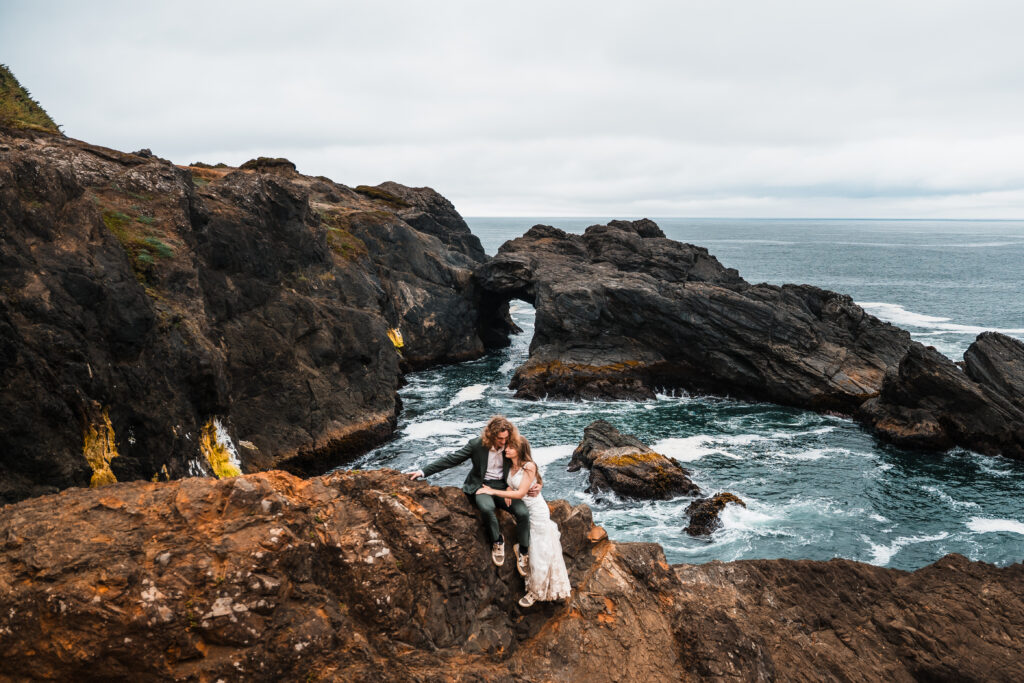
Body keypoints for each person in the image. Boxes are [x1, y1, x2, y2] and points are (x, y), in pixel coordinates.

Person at [406, 416, 538, 570]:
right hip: (481, 486)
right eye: (500, 439)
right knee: (486, 508)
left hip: (504, 486)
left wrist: (538, 484)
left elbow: (527, 462)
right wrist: (423, 471)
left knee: (523, 512)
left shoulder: (511, 444)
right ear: (491, 435)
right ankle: (497, 541)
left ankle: (522, 550)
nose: (503, 442)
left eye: (506, 438)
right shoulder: (476, 445)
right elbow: (451, 459)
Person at [476, 436, 571, 608]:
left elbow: (521, 493)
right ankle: (522, 551)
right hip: (524, 510)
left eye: (511, 447)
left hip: (537, 512)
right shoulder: (508, 465)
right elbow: (515, 483)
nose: (506, 450)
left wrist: (492, 491)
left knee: (541, 554)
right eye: (507, 447)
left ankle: (536, 592)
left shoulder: (529, 466)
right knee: (533, 549)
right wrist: (506, 487)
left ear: (520, 449)